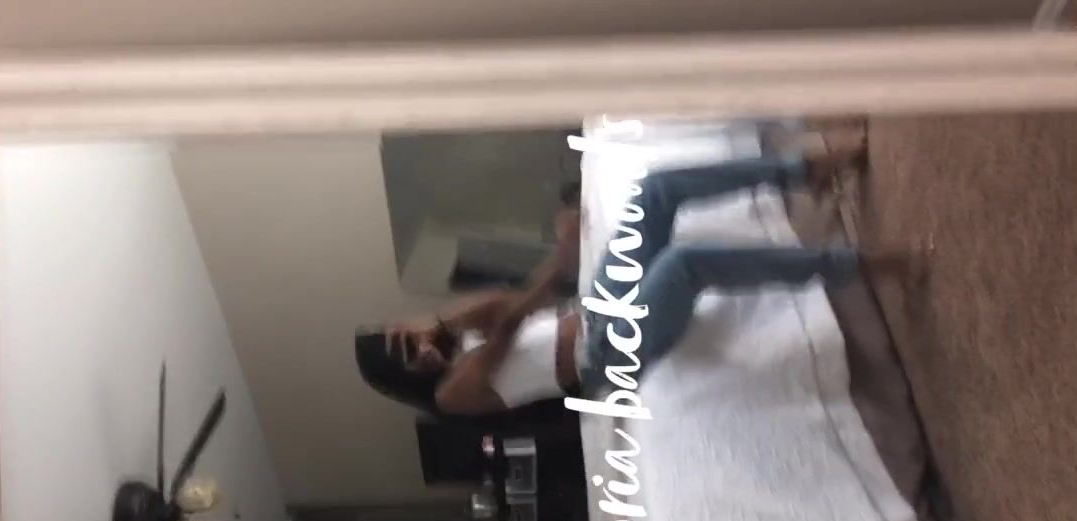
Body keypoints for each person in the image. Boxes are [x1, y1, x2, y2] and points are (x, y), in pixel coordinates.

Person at [355, 134, 922, 416]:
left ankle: (804, 170)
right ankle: (858, 265)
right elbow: (508, 327)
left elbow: (505, 301)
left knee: (657, 188)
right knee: (685, 264)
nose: (421, 349)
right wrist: (559, 261)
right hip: (605, 355)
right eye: (410, 358)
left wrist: (440, 324)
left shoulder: (447, 330)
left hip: (594, 309)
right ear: (409, 378)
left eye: (409, 339)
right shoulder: (450, 393)